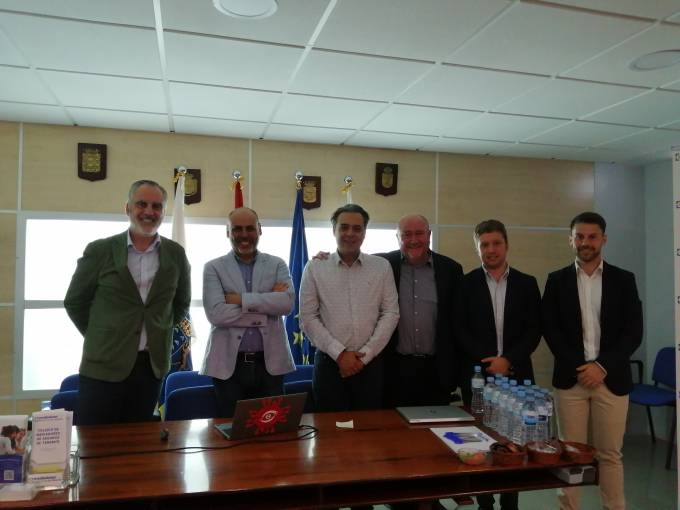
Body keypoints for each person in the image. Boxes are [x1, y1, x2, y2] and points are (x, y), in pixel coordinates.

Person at [64, 180, 191, 425]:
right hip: (103, 364)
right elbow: (75, 302)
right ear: (127, 208)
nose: (149, 211)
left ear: (163, 212)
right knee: (95, 440)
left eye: (156, 206)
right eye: (141, 204)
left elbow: (181, 303)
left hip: (150, 367)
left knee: (138, 439)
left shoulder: (175, 254)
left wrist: (159, 329)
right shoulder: (100, 250)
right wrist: (100, 334)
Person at [542, 211, 642, 510]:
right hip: (571, 380)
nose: (585, 242)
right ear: (571, 240)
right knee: (570, 454)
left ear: (604, 239)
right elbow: (551, 330)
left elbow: (633, 332)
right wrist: (582, 368)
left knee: (610, 454)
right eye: (580, 237)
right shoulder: (556, 280)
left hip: (611, 380)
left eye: (592, 237)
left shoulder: (624, 280)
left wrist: (601, 367)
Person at [456, 219, 541, 510]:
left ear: (506, 245)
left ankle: (510, 501)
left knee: (514, 444)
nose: (491, 250)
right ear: (477, 248)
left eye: (496, 243)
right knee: (481, 442)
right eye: (484, 245)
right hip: (478, 377)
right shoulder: (465, 284)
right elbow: (459, 329)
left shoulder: (527, 283)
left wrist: (508, 360)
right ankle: (485, 502)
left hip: (517, 377)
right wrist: (490, 361)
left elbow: (534, 329)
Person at [299, 204, 399, 412]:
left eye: (357, 228)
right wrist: (340, 354)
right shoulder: (315, 267)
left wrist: (365, 356)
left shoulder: (381, 267)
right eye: (344, 227)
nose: (350, 233)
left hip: (370, 365)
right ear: (333, 230)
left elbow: (390, 313)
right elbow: (308, 317)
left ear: (364, 232)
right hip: (329, 365)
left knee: (369, 428)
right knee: (330, 428)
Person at [201, 207, 296, 417]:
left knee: (271, 426)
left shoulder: (277, 264)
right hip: (228, 366)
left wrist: (239, 300)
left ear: (259, 230)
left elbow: (287, 305)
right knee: (230, 426)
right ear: (228, 232)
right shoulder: (213, 267)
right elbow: (217, 314)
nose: (244, 235)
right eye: (237, 229)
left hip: (270, 364)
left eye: (250, 228)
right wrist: (268, 302)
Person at [377, 214, 463, 408]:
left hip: (436, 371)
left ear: (429, 235)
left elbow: (458, 321)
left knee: (435, 426)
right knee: (393, 427)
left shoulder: (451, 269)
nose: (413, 240)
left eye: (419, 233)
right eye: (406, 234)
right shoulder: (382, 264)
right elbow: (350, 263)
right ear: (397, 237)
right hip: (393, 371)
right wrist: (324, 259)